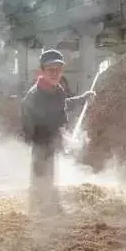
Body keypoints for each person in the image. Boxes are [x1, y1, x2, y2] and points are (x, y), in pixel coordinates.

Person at [20, 49, 95, 213]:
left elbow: (63, 104)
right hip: (41, 146)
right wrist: (59, 139)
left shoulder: (57, 90)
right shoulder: (34, 96)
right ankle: (39, 211)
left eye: (58, 69)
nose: (55, 73)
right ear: (41, 71)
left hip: (51, 144)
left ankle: (50, 206)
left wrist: (83, 99)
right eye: (50, 70)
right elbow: (31, 127)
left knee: (50, 174)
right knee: (41, 177)